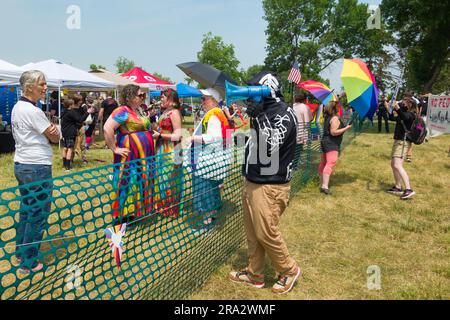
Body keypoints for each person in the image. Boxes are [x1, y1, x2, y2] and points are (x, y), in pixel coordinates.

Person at [229, 71, 301, 295]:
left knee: (265, 233)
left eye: (253, 91)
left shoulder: (284, 113)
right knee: (253, 234)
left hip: (270, 185)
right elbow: (256, 143)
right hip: (253, 180)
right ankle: (255, 274)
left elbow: (272, 144)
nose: (249, 98)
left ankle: (288, 270)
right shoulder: (264, 111)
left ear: (267, 89)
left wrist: (259, 117)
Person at [11, 70, 60, 273]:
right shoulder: (34, 111)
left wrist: (52, 130)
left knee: (27, 209)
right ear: (29, 87)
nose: (45, 87)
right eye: (42, 84)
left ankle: (20, 253)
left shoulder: (17, 107)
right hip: (37, 166)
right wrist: (53, 130)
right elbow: (55, 137)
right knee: (38, 212)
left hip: (22, 164)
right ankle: (29, 262)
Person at [103, 84, 155, 224]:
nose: (143, 97)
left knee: (140, 181)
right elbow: (107, 128)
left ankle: (136, 212)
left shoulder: (139, 110)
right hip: (130, 156)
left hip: (144, 155)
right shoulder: (122, 111)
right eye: (140, 95)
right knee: (128, 181)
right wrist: (114, 148)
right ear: (130, 97)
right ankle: (122, 216)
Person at [185, 88, 231, 232]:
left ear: (213, 100)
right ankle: (213, 218)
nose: (202, 101)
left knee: (204, 192)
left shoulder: (213, 115)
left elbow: (213, 137)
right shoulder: (219, 114)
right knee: (212, 191)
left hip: (207, 162)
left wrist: (193, 138)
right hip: (214, 160)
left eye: (204, 99)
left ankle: (207, 224)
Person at [152, 88, 183, 218]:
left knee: (169, 178)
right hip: (161, 148)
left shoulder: (174, 113)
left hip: (171, 150)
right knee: (160, 178)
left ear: (170, 99)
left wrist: (159, 135)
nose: (161, 100)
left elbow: (178, 135)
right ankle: (161, 206)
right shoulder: (165, 111)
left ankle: (170, 209)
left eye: (163, 97)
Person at [318, 101, 352, 195]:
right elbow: (333, 132)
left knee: (323, 162)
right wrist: (346, 128)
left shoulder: (327, 117)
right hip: (331, 143)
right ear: (335, 108)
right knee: (330, 162)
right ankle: (325, 186)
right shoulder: (335, 118)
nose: (339, 108)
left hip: (325, 141)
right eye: (338, 106)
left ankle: (321, 183)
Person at [386, 96, 417, 199]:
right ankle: (398, 187)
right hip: (398, 141)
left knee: (397, 165)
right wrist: (389, 109)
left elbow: (404, 117)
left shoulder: (411, 115)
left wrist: (397, 108)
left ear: (409, 105)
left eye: (404, 102)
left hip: (402, 142)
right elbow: (392, 118)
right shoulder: (403, 113)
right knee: (393, 164)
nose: (401, 103)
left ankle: (408, 189)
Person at [61, 98, 95, 170]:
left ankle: (64, 164)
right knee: (70, 148)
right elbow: (80, 119)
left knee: (65, 148)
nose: (74, 105)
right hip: (70, 132)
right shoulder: (71, 112)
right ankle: (68, 167)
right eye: (73, 104)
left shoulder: (64, 111)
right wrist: (88, 112)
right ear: (70, 105)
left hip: (65, 132)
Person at [292, 93, 313, 169]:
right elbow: (308, 121)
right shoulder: (305, 107)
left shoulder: (291, 106)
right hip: (300, 133)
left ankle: (291, 165)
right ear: (304, 99)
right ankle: (294, 166)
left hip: (291, 132)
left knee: (291, 150)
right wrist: (306, 136)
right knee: (297, 151)